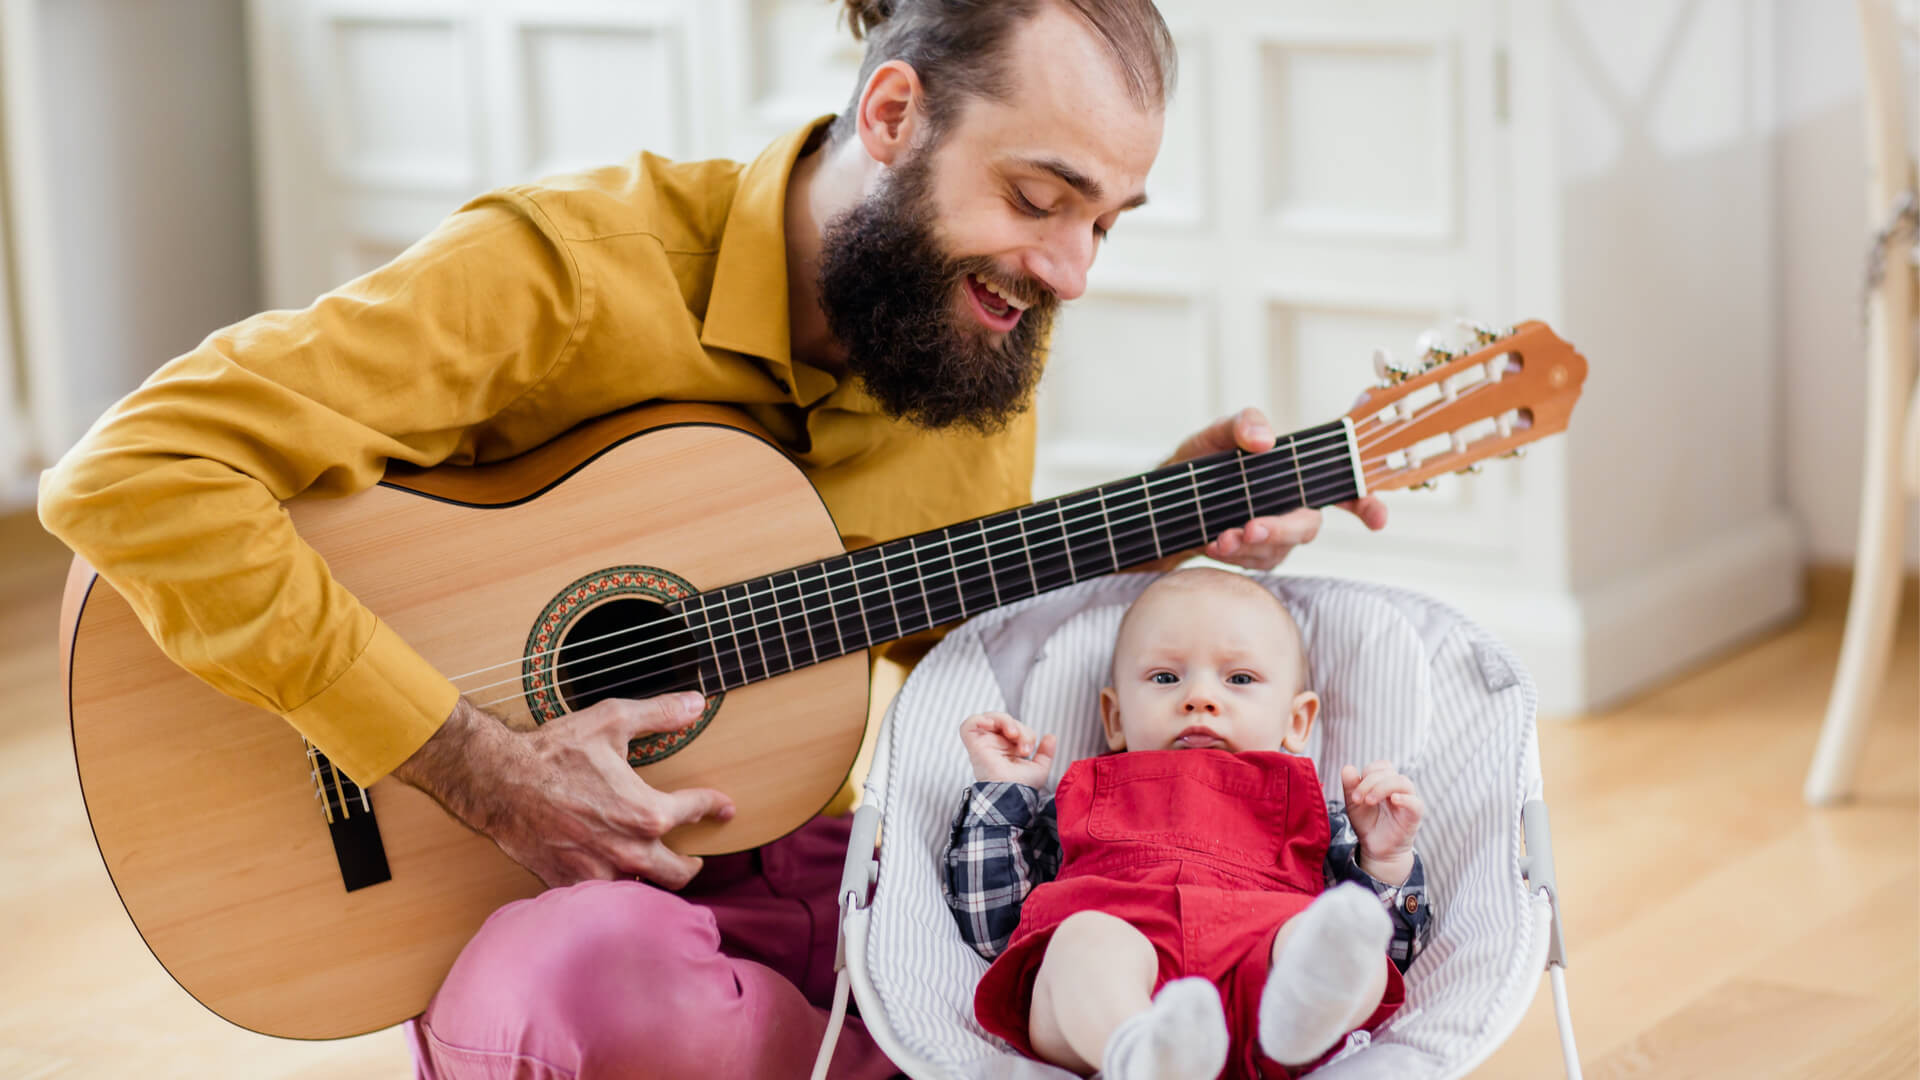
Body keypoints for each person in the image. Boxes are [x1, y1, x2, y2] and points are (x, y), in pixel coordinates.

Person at [36, 1, 1388, 1077]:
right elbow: (135, 475)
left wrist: (1150, 531)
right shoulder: (560, 274)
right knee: (568, 992)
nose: (1071, 272)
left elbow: (939, 630)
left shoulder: (977, 326)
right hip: (539, 897)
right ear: (895, 114)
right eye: (1041, 200)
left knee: (1116, 941)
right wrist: (467, 759)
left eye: (1104, 221)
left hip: (811, 854)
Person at [944, 568, 1429, 1079]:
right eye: (1165, 677)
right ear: (1114, 718)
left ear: (1297, 722)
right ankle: (1145, 1050)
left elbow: (1392, 949)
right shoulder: (1070, 800)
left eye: (1239, 679)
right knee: (1082, 941)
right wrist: (1002, 793)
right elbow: (993, 930)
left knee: (1347, 941)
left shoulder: (1321, 815)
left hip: (1262, 985)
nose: (1199, 697)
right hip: (1114, 991)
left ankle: (1299, 1026)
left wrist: (1383, 858)